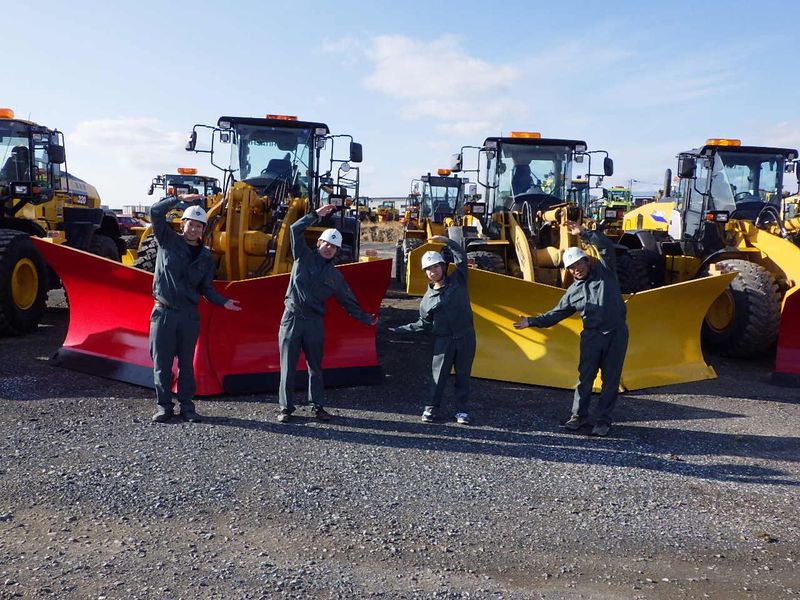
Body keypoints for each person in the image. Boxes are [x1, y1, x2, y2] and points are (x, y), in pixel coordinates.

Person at [513, 221, 627, 437]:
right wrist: (532, 321)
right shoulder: (573, 291)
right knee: (585, 378)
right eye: (572, 267)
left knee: (610, 381)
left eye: (579, 264)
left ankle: (603, 421)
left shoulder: (605, 272)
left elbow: (606, 248)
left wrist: (584, 233)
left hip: (616, 334)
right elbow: (556, 314)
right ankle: (578, 416)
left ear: (587, 260)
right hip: (591, 338)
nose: (576, 269)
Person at [277, 204, 377, 423]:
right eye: (326, 243)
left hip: (313, 323)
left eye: (334, 246)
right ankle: (286, 409)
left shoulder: (335, 277)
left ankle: (318, 407)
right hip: (291, 320)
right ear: (319, 243)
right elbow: (294, 229)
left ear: (337, 251)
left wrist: (366, 319)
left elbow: (348, 302)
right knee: (288, 367)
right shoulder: (301, 256)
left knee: (315, 367)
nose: (329, 248)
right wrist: (315, 215)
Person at [149, 194, 241, 424]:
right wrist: (178, 198)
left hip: (189, 315)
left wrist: (223, 302)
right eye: (191, 224)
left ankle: (187, 407)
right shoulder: (167, 240)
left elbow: (205, 288)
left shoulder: (206, 256)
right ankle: (164, 407)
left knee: (186, 364)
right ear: (183, 224)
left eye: (199, 226)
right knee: (162, 363)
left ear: (203, 229)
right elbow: (155, 212)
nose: (194, 229)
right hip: (164, 313)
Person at [389, 235, 476, 425]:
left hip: (466, 338)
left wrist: (446, 240)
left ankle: (461, 411)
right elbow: (422, 324)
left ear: (443, 266)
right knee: (439, 377)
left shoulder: (458, 280)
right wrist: (397, 330)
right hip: (443, 341)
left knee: (463, 375)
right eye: (428, 269)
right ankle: (431, 409)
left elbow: (460, 255)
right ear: (425, 273)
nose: (433, 271)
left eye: (435, 266)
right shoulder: (427, 300)